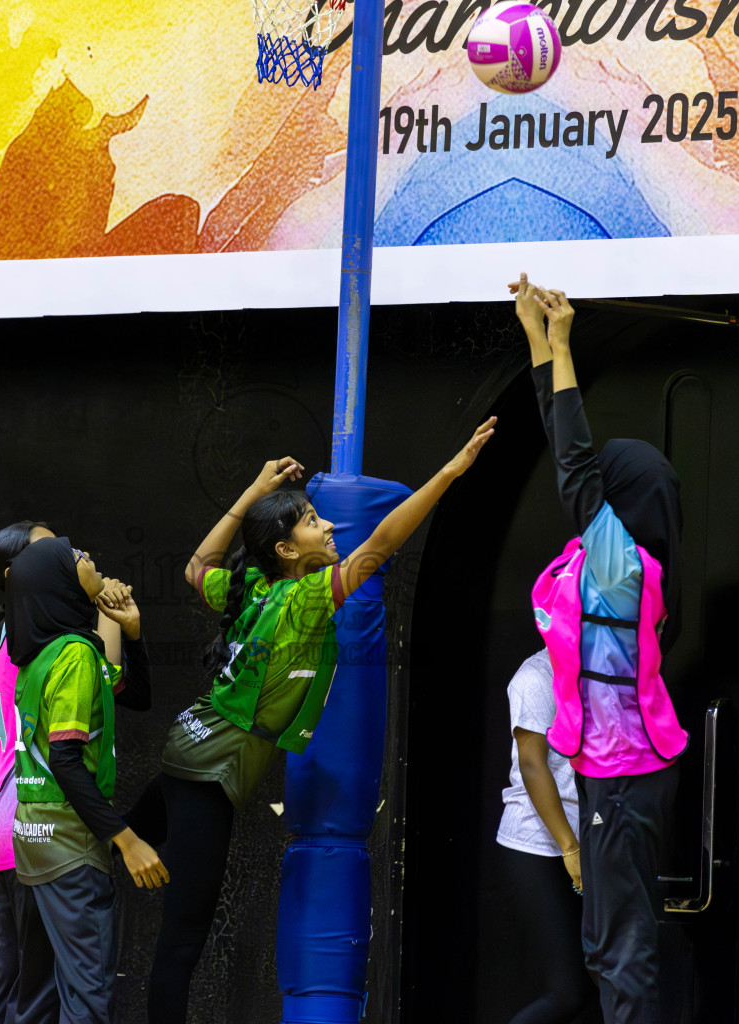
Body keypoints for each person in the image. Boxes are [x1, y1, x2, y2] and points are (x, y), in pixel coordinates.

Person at [127, 419, 497, 1024]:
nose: (329, 524)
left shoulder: (250, 585)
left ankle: (32, 869)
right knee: (183, 937)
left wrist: (254, 488)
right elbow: (381, 544)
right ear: (287, 551)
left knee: (114, 838)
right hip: (209, 773)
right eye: (312, 520)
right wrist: (452, 472)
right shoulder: (301, 599)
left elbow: (197, 566)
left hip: (189, 748)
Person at [511, 275, 688, 1024]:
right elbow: (569, 452)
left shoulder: (619, 567)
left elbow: (576, 465)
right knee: (609, 944)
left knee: (621, 950)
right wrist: (534, 342)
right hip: (617, 773)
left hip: (621, 778)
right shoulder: (612, 557)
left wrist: (562, 343)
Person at [0, 521, 143, 1024]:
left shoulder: (22, 635)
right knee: (29, 981)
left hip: (13, 811)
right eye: (51, 555)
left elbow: (112, 678)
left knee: (24, 979)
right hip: (26, 807)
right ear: (19, 575)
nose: (73, 556)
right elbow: (105, 681)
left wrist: (108, 615)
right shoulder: (42, 646)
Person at [3, 530, 163, 1023]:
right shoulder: (72, 655)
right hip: (70, 845)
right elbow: (68, 762)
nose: (87, 556)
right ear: (60, 581)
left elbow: (135, 695)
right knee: (88, 997)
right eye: (75, 556)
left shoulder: (40, 656)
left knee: (36, 996)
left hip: (31, 836)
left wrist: (130, 633)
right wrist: (126, 839)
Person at [497, 648, 599, 1024]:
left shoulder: (603, 666)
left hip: (589, 840)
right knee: (568, 990)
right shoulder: (536, 676)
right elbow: (531, 763)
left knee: (598, 984)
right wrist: (570, 849)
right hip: (538, 845)